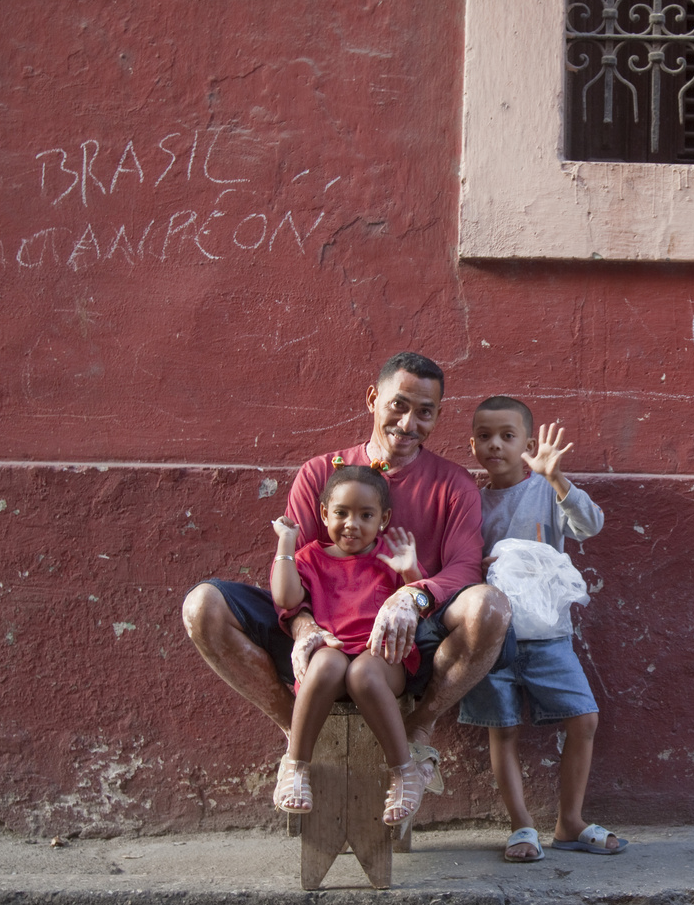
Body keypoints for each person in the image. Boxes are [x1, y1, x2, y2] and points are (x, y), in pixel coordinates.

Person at [182, 352, 511, 809]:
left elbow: (463, 569)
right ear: (373, 400)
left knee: (490, 607)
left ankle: (419, 732)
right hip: (325, 637)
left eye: (425, 412)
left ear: (438, 416)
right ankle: (296, 735)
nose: (408, 422)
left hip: (409, 644)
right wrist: (301, 627)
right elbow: (295, 567)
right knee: (203, 606)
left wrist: (411, 598)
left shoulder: (454, 485)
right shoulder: (320, 474)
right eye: (398, 405)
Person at [459, 395, 626, 861]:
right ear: (472, 443)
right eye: (485, 437)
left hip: (549, 637)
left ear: (528, 444)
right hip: (493, 640)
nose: (495, 446)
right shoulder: (469, 502)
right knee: (503, 729)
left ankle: (569, 822)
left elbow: (590, 525)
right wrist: (477, 566)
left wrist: (557, 478)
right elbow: (455, 561)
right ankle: (521, 828)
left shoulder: (544, 492)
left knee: (584, 719)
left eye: (507, 437)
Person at [269, 465, 427, 826]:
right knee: (326, 663)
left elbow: (421, 608)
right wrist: (286, 542)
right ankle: (296, 766)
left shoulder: (390, 556)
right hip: (333, 653)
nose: (351, 524)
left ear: (383, 519)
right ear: (324, 513)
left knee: (363, 674)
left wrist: (410, 572)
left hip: (381, 662)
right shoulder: (310, 557)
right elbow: (285, 597)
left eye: (365, 515)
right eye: (341, 513)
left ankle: (404, 772)